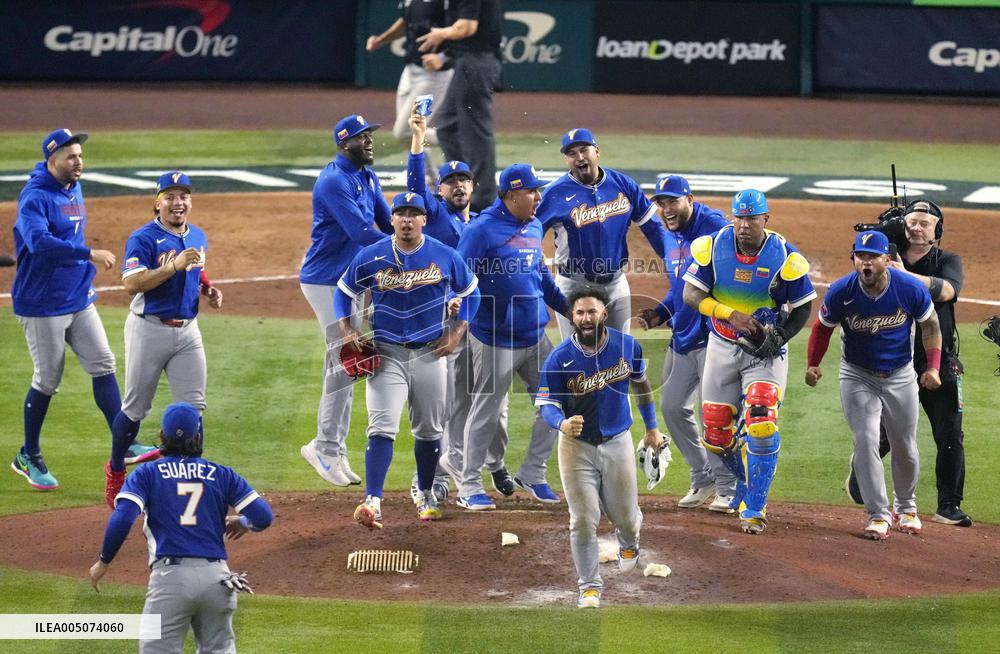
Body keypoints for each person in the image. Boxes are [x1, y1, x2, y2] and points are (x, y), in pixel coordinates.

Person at [336, 192, 480, 529]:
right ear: (392, 219)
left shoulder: (444, 255)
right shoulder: (371, 256)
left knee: (429, 431)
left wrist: (457, 332)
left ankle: (426, 492)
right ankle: (373, 500)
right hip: (387, 355)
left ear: (424, 220)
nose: (406, 219)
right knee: (382, 427)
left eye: (413, 214)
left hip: (431, 353)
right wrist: (346, 328)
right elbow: (344, 292)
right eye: (400, 213)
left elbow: (470, 292)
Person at [682, 189, 816, 534]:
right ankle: (743, 484)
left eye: (751, 218)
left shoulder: (784, 255)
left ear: (765, 220)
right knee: (715, 431)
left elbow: (802, 306)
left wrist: (780, 337)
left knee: (761, 420)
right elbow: (691, 294)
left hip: (764, 353)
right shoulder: (713, 246)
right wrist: (731, 314)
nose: (744, 225)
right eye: (739, 217)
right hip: (721, 344)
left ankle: (755, 506)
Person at [89, 402, 274, 653]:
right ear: (197, 436)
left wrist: (104, 562)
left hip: (171, 581)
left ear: (162, 436)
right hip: (218, 581)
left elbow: (122, 517)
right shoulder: (222, 474)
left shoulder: (147, 473)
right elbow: (263, 516)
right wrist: (242, 523)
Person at [10, 129, 128, 491]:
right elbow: (40, 243)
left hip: (77, 296)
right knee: (48, 379)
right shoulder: (35, 197)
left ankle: (124, 439)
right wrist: (88, 253)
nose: (79, 162)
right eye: (71, 157)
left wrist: (83, 271)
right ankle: (28, 454)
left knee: (103, 362)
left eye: (80, 156)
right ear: (52, 160)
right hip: (42, 303)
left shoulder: (73, 187)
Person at [806, 231, 941, 540]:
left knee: (904, 443)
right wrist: (813, 363)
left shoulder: (908, 288)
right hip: (857, 375)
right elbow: (822, 328)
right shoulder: (842, 291)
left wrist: (932, 367)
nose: (865, 263)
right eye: (860, 256)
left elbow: (930, 325)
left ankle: (906, 507)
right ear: (854, 259)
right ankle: (878, 514)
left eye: (872, 257)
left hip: (900, 374)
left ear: (887, 260)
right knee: (865, 440)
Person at [406, 106, 511, 501]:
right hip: (444, 324)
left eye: (464, 180)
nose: (458, 186)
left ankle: (492, 463)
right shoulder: (433, 217)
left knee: (489, 405)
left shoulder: (480, 223)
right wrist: (419, 139)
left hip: (482, 325)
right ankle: (435, 478)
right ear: (440, 191)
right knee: (447, 404)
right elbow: (416, 183)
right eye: (450, 182)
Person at [845, 201, 971, 527]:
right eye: (912, 221)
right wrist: (883, 230)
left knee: (950, 433)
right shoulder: (885, 257)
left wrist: (905, 275)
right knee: (889, 434)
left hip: (937, 359)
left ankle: (948, 506)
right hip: (894, 361)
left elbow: (947, 290)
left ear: (937, 231)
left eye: (925, 224)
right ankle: (862, 475)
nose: (917, 227)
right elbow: (863, 252)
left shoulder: (947, 261)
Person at [536, 288, 664, 609]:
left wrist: (651, 428)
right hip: (575, 447)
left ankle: (628, 540)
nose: (586, 318)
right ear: (572, 318)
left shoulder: (625, 345)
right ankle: (589, 586)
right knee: (582, 518)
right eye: (579, 313)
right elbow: (547, 405)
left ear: (604, 314)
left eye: (591, 312)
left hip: (617, 441)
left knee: (625, 518)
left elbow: (642, 384)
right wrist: (561, 424)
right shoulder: (559, 357)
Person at [104, 171, 224, 508]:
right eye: (170, 196)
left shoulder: (197, 235)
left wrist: (208, 288)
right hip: (149, 329)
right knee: (135, 409)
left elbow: (196, 268)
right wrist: (173, 267)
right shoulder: (142, 238)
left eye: (183, 196)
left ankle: (191, 480)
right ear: (157, 203)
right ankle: (115, 470)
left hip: (188, 332)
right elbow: (132, 283)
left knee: (193, 410)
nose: (178, 203)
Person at [455, 163, 569, 510]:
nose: (539, 197)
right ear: (511, 195)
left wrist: (570, 311)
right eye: (532, 191)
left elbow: (541, 278)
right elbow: (459, 278)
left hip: (535, 337)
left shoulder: (534, 225)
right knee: (485, 413)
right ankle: (468, 485)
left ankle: (533, 473)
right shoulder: (482, 231)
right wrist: (460, 320)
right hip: (494, 340)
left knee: (555, 402)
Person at [299, 114, 392, 488]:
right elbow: (361, 232)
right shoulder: (333, 181)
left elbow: (384, 222)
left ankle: (332, 448)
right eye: (360, 137)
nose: (369, 140)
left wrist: (411, 235)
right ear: (343, 143)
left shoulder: (367, 176)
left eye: (369, 134)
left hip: (349, 281)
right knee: (344, 358)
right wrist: (404, 251)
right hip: (324, 281)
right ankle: (323, 446)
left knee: (349, 363)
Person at [637, 176, 735, 512]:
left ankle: (729, 486)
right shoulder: (668, 234)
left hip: (713, 336)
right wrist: (661, 313)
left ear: (689, 199)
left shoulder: (715, 229)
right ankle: (703, 474)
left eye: (673, 201)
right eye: (661, 203)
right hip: (683, 334)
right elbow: (680, 287)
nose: (666, 209)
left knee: (715, 414)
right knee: (672, 407)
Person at [536, 128, 668, 338]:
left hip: (615, 282)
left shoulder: (623, 185)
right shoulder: (555, 193)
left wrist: (673, 259)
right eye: (571, 154)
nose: (579, 157)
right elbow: (531, 231)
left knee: (619, 353)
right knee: (577, 355)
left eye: (584, 150)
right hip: (573, 285)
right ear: (566, 160)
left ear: (597, 152)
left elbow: (653, 227)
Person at [416, 0, 503, 211]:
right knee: (447, 126)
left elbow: (467, 27)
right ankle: (462, 183)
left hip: (476, 63)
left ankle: (483, 199)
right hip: (468, 60)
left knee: (475, 132)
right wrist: (444, 56)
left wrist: (440, 34)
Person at [365, 0, 453, 167]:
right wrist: (381, 40)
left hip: (433, 76)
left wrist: (444, 58)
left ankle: (459, 139)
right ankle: (429, 183)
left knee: (405, 131)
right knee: (411, 137)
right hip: (410, 72)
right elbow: (406, 22)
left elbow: (463, 30)